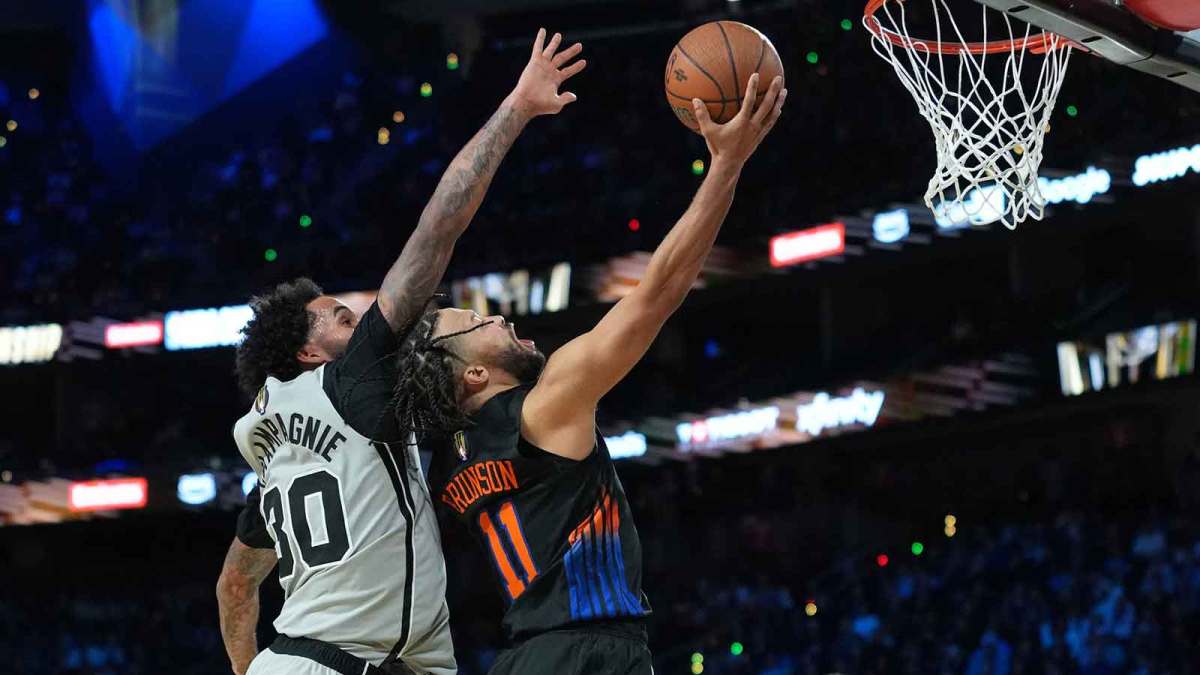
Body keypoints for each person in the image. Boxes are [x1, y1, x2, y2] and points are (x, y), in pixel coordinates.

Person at [214, 28, 587, 675]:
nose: (356, 318)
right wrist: (517, 107)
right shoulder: (353, 379)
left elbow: (234, 587)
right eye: (338, 317)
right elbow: (436, 229)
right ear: (308, 353)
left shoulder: (280, 459)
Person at [388, 74, 786, 674]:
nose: (496, 317)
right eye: (477, 322)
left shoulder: (446, 460)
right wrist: (727, 165)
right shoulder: (546, 405)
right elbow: (660, 290)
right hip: (589, 651)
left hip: (521, 660)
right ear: (472, 374)